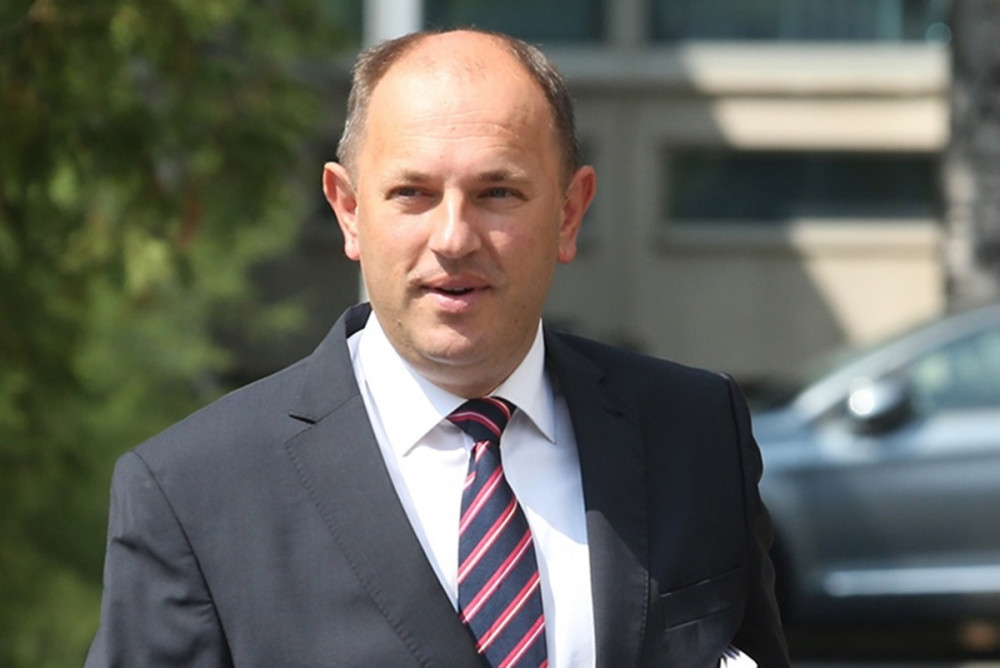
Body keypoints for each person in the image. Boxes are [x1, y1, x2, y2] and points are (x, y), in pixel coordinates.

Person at [86, 29, 789, 667]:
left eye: (498, 192)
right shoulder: (194, 494)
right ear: (349, 210)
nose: (453, 238)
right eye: (412, 193)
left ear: (569, 212)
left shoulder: (695, 434)